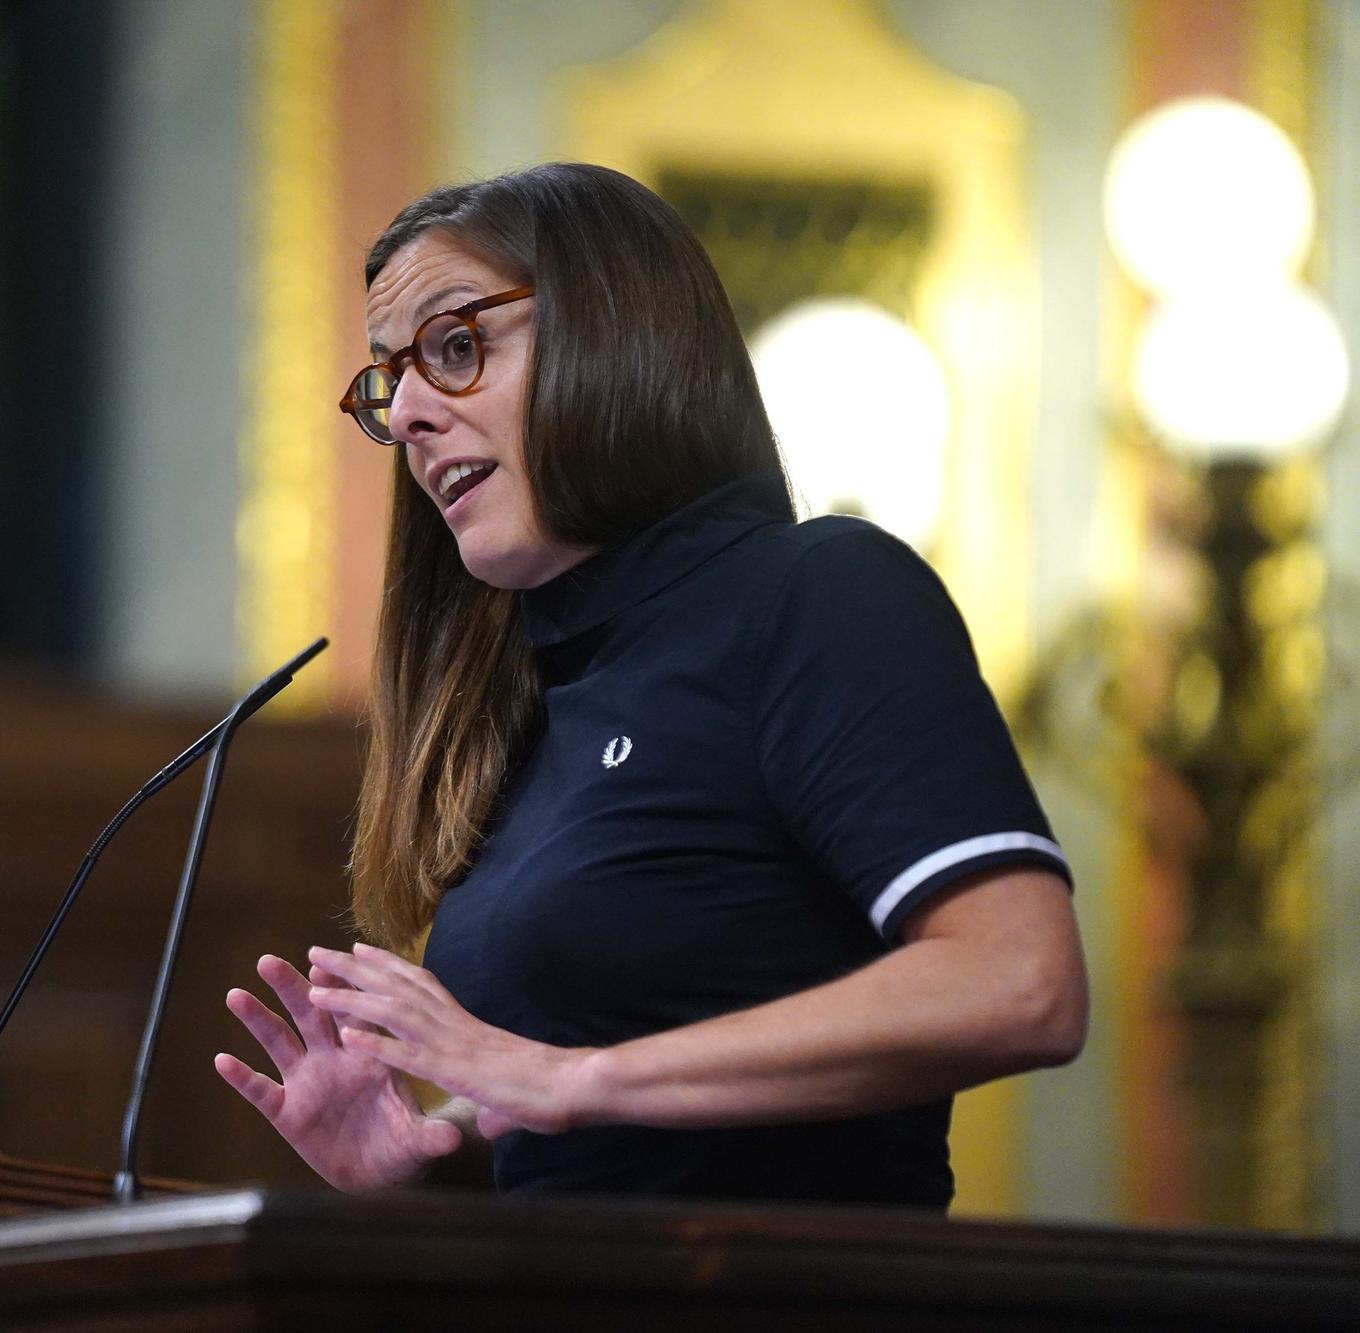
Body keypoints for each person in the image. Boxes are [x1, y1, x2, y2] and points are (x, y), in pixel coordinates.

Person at [215, 162, 1086, 1206]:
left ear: (609, 334)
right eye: (388, 381)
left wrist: (564, 1077)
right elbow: (592, 1138)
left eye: (453, 349)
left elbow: (1019, 982)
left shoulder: (814, 595)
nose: (403, 415)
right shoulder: (532, 707)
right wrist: (429, 1167)